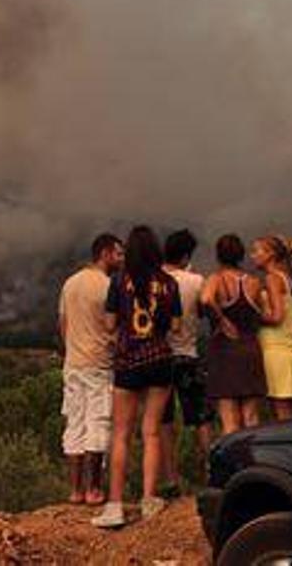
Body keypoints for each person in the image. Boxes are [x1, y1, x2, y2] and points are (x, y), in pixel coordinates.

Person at [93, 226, 181, 529]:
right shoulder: (169, 283)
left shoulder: (119, 280)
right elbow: (176, 326)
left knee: (121, 434)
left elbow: (109, 323)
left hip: (128, 361)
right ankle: (148, 499)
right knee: (151, 432)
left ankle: (115, 504)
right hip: (159, 360)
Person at [59, 233, 124, 506]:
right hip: (99, 363)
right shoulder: (108, 286)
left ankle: (74, 490)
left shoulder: (70, 283)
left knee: (74, 423)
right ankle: (94, 489)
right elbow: (114, 327)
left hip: (73, 363)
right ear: (106, 254)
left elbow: (63, 325)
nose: (121, 259)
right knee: (98, 423)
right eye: (118, 253)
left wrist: (72, 349)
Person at [158, 229, 214, 493]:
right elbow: (204, 312)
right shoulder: (196, 280)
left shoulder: (154, 279)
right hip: (188, 355)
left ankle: (171, 479)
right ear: (185, 256)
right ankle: (211, 472)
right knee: (201, 417)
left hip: (160, 357)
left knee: (164, 420)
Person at [202, 235, 267, 434]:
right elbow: (263, 313)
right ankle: (254, 453)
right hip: (250, 349)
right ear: (241, 255)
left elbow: (206, 299)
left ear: (218, 255)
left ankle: (233, 455)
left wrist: (222, 320)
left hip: (224, 351)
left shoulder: (216, 279)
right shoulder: (254, 282)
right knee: (251, 417)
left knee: (229, 420)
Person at [253, 234, 292, 421]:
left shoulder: (272, 279)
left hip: (275, 352)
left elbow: (277, 317)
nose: (253, 256)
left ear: (270, 254)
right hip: (288, 351)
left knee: (281, 417)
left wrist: (252, 315)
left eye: (257, 251)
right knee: (287, 416)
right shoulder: (288, 280)